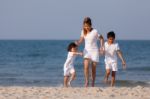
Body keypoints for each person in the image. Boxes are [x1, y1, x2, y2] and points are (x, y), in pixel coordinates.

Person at [75, 17, 104, 87]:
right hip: (87, 51)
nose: (86, 27)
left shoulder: (95, 31)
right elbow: (81, 40)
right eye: (85, 26)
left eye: (87, 26)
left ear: (90, 25)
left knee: (93, 69)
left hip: (94, 51)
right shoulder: (83, 31)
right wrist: (77, 43)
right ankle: (87, 81)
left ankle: (93, 83)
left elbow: (101, 38)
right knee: (86, 66)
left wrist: (101, 47)